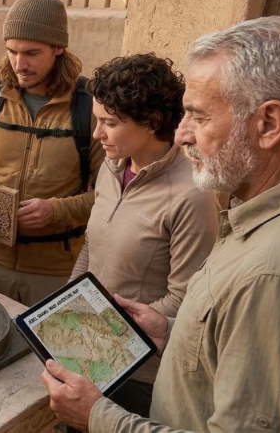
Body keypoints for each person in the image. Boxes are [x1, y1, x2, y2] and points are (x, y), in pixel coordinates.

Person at [41, 16, 280, 432]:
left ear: (268, 124)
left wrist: (98, 418)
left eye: (198, 116)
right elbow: (238, 345)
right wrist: (173, 331)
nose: (181, 135)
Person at [68, 53, 218, 420]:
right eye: (97, 120)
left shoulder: (192, 195)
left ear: (151, 122)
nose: (97, 134)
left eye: (110, 123)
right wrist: (68, 305)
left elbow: (184, 299)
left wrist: (104, 331)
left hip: (140, 372)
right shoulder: (111, 166)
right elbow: (91, 244)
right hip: (89, 349)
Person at [0, 0, 104, 306]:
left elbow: (108, 196)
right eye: (12, 51)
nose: (19, 64)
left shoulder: (89, 108)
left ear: (58, 48)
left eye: (32, 53)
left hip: (55, 272)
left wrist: (55, 211)